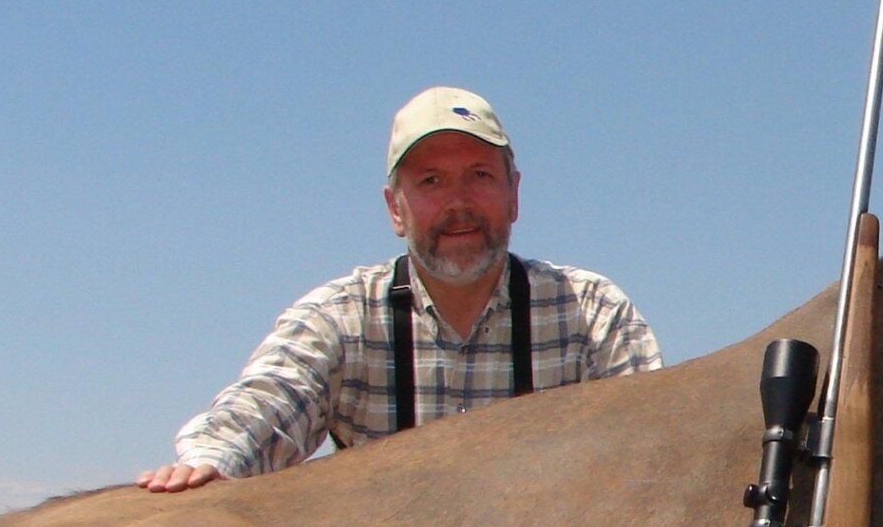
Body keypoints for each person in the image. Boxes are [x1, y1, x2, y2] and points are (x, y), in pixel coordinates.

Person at [138, 86, 661, 492]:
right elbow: (270, 402)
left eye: (479, 175)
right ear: (394, 207)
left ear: (514, 194)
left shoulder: (592, 311)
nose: (459, 202)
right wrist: (211, 464)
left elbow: (657, 443)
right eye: (431, 181)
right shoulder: (342, 316)